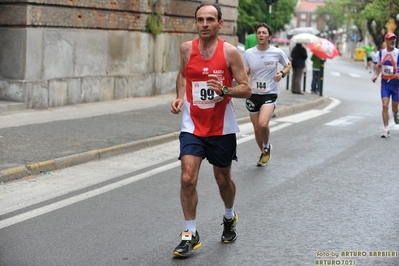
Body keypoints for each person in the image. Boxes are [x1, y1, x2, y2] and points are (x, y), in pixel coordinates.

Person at [170, 2, 251, 258]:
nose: (205, 24)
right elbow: (183, 74)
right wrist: (180, 96)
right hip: (192, 125)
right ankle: (189, 234)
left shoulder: (230, 53)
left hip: (221, 128)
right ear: (195, 23)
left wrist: (225, 90)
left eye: (210, 20)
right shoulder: (186, 49)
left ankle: (229, 217)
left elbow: (246, 88)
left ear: (220, 24)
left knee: (222, 179)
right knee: (187, 178)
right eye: (200, 20)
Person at [243, 22, 291, 166]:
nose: (261, 35)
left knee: (263, 124)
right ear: (256, 35)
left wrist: (281, 73)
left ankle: (267, 145)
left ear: (269, 36)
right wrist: (245, 73)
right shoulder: (249, 53)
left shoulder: (277, 52)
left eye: (264, 33)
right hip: (253, 94)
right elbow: (244, 71)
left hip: (270, 93)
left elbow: (288, 65)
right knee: (256, 128)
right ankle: (264, 152)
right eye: (259, 33)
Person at [372, 32, 399, 138]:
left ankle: (396, 114)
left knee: (395, 108)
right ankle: (386, 129)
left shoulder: (398, 53)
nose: (393, 41)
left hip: (396, 84)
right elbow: (379, 66)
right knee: (384, 105)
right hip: (385, 84)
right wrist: (375, 75)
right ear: (386, 41)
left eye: (394, 39)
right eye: (390, 39)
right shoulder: (381, 53)